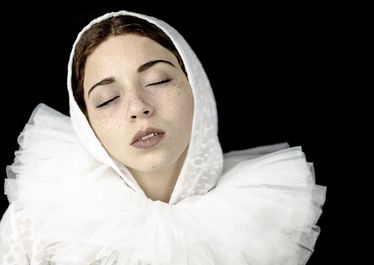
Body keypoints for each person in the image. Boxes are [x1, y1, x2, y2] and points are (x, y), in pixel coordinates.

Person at [0, 10, 326, 264]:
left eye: (158, 80)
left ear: (195, 86)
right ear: (86, 124)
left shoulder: (268, 221)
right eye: (107, 99)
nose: (138, 108)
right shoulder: (39, 226)